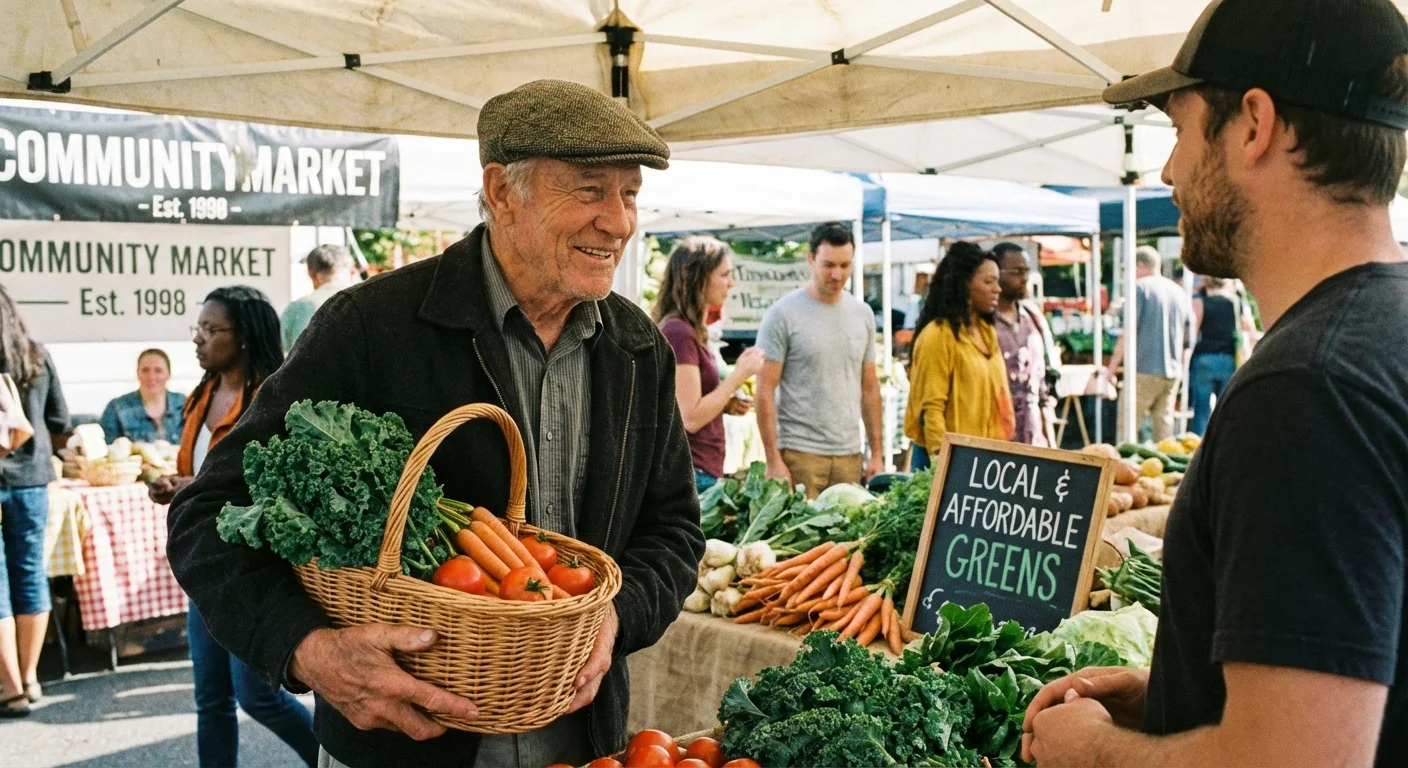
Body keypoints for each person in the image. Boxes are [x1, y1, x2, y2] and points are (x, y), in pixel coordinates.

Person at [167, 79, 704, 767]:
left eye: (629, 194)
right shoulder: (370, 325)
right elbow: (208, 515)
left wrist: (615, 617)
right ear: (504, 191)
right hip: (398, 748)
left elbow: (673, 530)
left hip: (581, 741)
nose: (620, 222)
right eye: (591, 190)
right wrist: (307, 651)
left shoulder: (637, 348)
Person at [1025, 1, 1408, 766]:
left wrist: (1092, 754)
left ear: (1254, 125)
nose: (1166, 170)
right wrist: (1181, 691)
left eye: (1178, 127)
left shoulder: (1306, 389)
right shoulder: (1382, 337)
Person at [150, 286, 318, 768]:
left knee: (258, 697)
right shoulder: (202, 393)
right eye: (197, 329)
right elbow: (203, 473)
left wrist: (190, 486)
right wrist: (179, 486)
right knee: (211, 700)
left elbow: (269, 483)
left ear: (243, 337)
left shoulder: (271, 395)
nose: (198, 340)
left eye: (211, 329)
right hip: (204, 559)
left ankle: (330, 759)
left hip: (252, 566)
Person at [756, 223, 882, 498]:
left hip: (850, 454)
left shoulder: (863, 314)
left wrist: (877, 453)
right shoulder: (783, 314)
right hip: (800, 454)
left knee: (849, 538)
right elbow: (764, 389)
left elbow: (870, 388)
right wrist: (773, 460)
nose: (837, 274)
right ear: (811, 259)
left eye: (845, 265)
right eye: (828, 265)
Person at [0, 284, 67, 718]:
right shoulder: (36, 355)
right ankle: (29, 677)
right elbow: (60, 420)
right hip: (33, 480)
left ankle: (7, 687)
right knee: (30, 575)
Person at [652, 236, 765, 493]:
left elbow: (682, 404)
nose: (731, 283)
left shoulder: (688, 330)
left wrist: (726, 403)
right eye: (724, 275)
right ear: (698, 279)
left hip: (702, 469)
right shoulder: (679, 332)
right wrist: (739, 375)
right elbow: (690, 417)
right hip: (691, 471)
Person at [904, 242, 1014, 471]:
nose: (998, 289)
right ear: (964, 285)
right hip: (945, 465)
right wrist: (943, 467)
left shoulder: (987, 334)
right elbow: (930, 411)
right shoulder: (937, 336)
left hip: (982, 462)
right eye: (988, 281)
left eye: (997, 280)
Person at [1104, 246, 1194, 443]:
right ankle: (1167, 472)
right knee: (1164, 430)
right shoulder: (1179, 293)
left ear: (1140, 264)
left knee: (1127, 428)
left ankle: (1124, 470)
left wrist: (1111, 369)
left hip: (1143, 369)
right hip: (1172, 371)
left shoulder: (1139, 288)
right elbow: (1189, 338)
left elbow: (1129, 332)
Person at [991, 243, 1058, 447]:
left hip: (1034, 433)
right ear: (996, 273)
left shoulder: (1032, 318)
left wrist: (1053, 446)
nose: (1024, 278)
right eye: (1017, 272)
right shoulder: (983, 321)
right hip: (997, 435)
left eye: (1026, 271)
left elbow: (1044, 388)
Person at [1187, 276, 1259, 435]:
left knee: (1201, 410)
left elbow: (1192, 333)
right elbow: (1251, 331)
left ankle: (1198, 448)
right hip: (1228, 359)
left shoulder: (1200, 301)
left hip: (1204, 359)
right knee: (1226, 410)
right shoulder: (1236, 302)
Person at [279, 244, 360, 351]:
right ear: (351, 270)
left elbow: (282, 351)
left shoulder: (297, 309)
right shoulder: (369, 301)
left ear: (311, 273)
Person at [98, 349, 186, 443]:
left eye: (158, 370)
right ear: (137, 373)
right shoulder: (117, 408)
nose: (151, 377)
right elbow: (105, 450)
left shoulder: (184, 404)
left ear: (168, 374)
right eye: (145, 370)